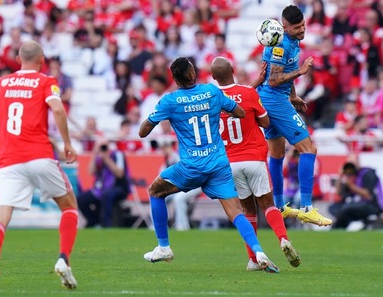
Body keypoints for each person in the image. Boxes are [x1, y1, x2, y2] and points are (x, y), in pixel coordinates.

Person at [138, 56, 279, 273]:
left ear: (174, 80)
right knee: (236, 212)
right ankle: (259, 252)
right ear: (193, 74)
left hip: (192, 166)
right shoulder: (213, 92)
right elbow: (240, 112)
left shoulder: (170, 101)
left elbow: (143, 131)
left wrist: (158, 114)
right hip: (219, 164)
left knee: (155, 191)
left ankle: (163, 247)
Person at [0, 40, 79, 291]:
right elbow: (58, 109)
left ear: (19, 58)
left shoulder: (1, 84)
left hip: (9, 161)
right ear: (41, 58)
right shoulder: (45, 81)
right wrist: (67, 143)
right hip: (39, 156)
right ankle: (64, 259)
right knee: (70, 207)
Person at [211, 57, 300, 271]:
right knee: (267, 205)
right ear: (233, 70)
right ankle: (283, 239)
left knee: (247, 209)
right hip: (254, 157)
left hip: (230, 163)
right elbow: (266, 121)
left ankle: (253, 259)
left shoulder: (211, 99)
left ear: (214, 78)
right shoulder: (249, 93)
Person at [256, 5, 331, 226]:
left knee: (277, 153)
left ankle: (279, 206)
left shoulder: (293, 40)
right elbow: (274, 79)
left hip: (274, 99)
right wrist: (301, 72)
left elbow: (283, 78)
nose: (302, 30)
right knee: (309, 149)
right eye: (297, 27)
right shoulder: (280, 45)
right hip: (275, 102)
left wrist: (294, 95)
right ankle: (307, 207)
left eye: (303, 25)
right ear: (285, 26)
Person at [77, 138, 131, 227]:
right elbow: (90, 172)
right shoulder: (98, 157)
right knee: (81, 199)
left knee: (107, 196)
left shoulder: (117, 154)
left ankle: (106, 224)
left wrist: (106, 158)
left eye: (104, 146)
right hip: (100, 188)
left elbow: (120, 174)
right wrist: (94, 155)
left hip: (118, 187)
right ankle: (93, 221)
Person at [330, 162, 383, 230]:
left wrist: (351, 186)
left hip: (371, 205)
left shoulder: (367, 174)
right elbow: (338, 193)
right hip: (355, 204)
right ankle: (350, 224)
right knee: (333, 208)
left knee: (346, 208)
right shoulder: (350, 176)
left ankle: (336, 228)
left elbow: (368, 196)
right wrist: (340, 176)